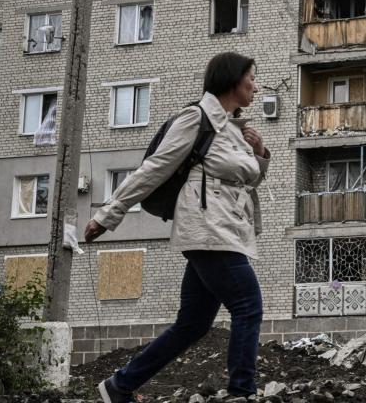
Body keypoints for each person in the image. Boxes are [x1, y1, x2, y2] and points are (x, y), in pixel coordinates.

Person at [85, 52, 271, 403]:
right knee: (248, 306)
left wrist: (259, 152)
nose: (256, 87)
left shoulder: (234, 130)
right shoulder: (196, 118)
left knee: (193, 324)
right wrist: (108, 215)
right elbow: (153, 169)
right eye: (251, 79)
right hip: (208, 231)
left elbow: (248, 179)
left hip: (227, 230)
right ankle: (241, 392)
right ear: (232, 80)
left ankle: (118, 387)